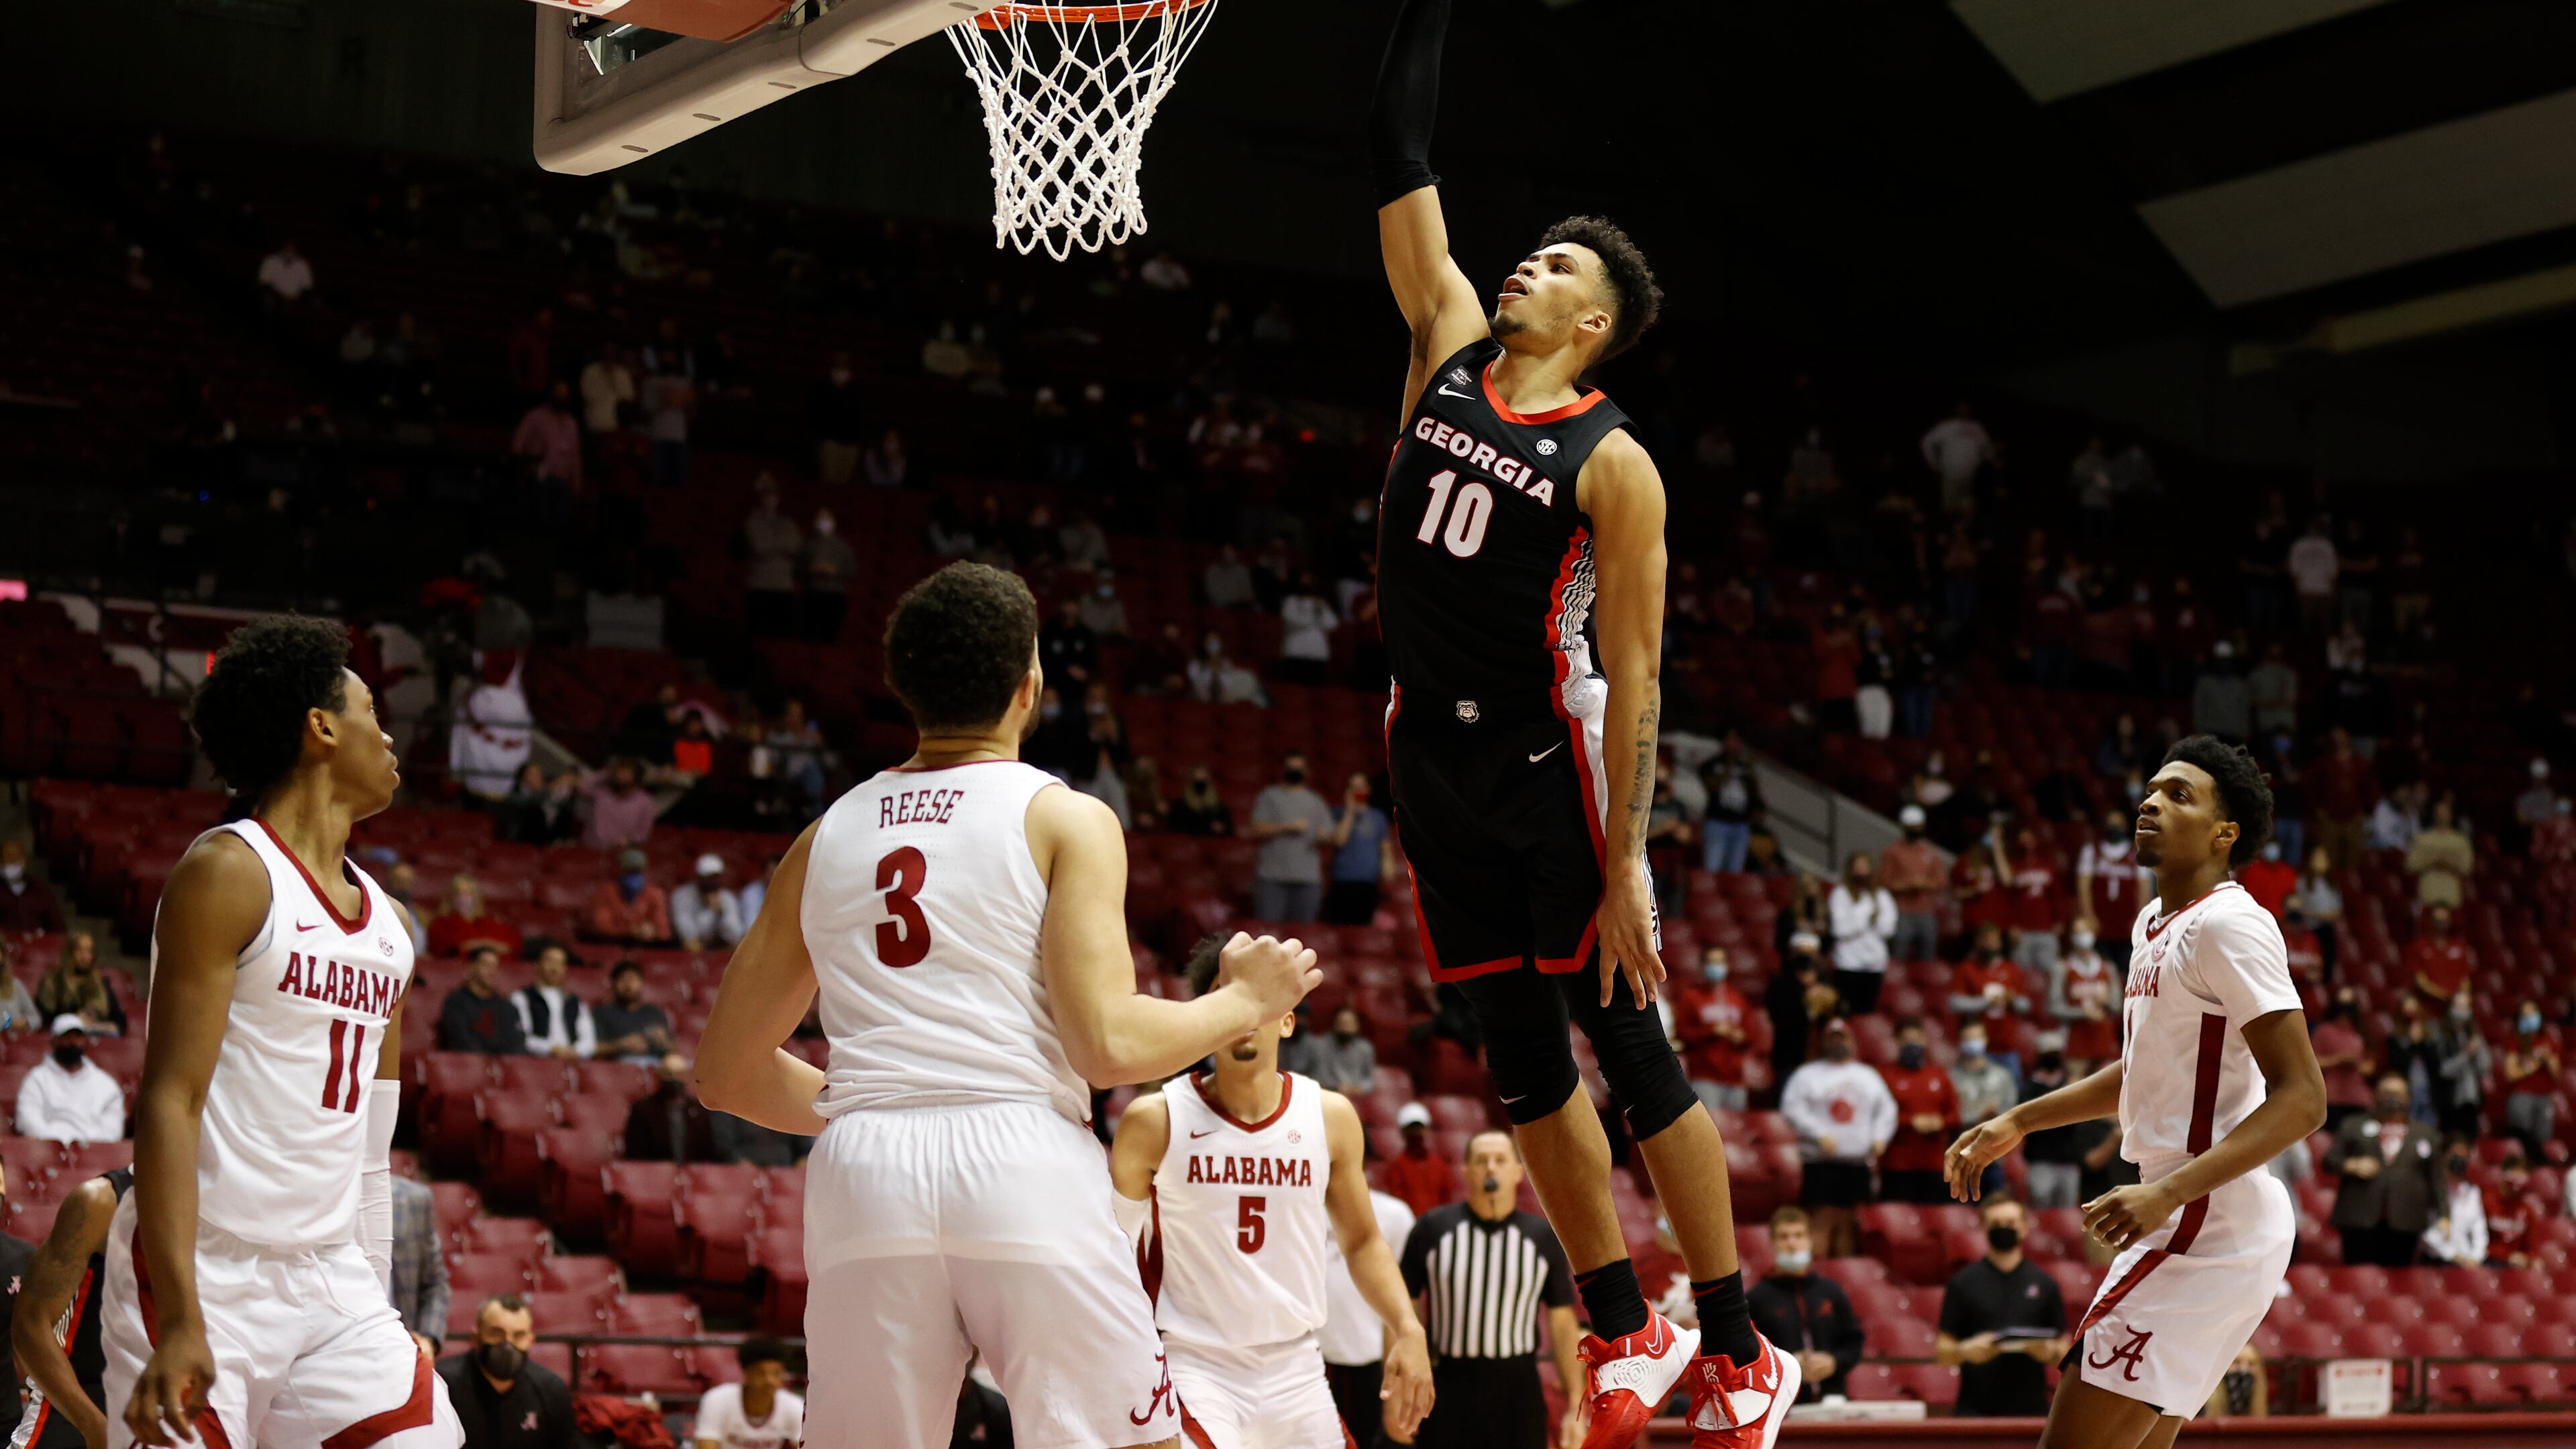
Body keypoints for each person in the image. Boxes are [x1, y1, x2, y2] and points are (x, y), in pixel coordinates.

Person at [1365, 3, 1792, 1437]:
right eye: (1528, 252)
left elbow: (1642, 669)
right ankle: (1626, 1328)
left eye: (1552, 264)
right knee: (1519, 1059)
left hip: (1553, 758)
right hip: (1429, 748)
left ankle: (1739, 1345)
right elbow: (1396, 145)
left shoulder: (1617, 466)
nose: (1521, 263)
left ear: (1592, 321)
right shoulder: (1442, 335)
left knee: (1630, 1046)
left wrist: (1626, 862)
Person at [692, 563, 1320, 1449]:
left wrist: (875, 1103)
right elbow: (1105, 1044)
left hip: (866, 1175)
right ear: (1029, 689)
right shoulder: (1064, 817)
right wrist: (1244, 1003)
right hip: (1021, 1156)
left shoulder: (822, 836)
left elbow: (722, 1074)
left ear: (902, 689)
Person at [114, 616, 462, 1447]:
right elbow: (169, 1101)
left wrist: (372, 1301)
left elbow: (373, 1149)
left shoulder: (390, 927)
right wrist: (180, 1319)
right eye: (370, 709)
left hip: (330, 1277)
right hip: (208, 1268)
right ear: (321, 727)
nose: (388, 733)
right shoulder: (230, 871)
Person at [1945, 736, 2326, 1449]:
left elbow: (2305, 1098)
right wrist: (2019, 1121)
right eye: (2152, 789)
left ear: (2225, 834)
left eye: (2179, 794)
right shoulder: (2152, 924)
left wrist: (2168, 1193)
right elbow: (2143, 1068)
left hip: (2205, 1218)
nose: (2150, 802)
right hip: (2195, 1213)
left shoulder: (2230, 925)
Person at [1108, 935, 1434, 1449]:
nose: (1245, 1015)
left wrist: (1408, 1328)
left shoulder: (1329, 1117)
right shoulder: (1155, 1120)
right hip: (1194, 1365)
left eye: (1260, 1000)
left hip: (1298, 1367)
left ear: (1287, 1019)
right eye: (1228, 998)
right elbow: (1111, 1259)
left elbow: (1363, 1242)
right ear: (1207, 1016)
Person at [1397, 1132, 1584, 1449]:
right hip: (1447, 1384)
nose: (1491, 1168)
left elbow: (1563, 1323)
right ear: (1466, 1171)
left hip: (1517, 1387)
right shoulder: (1433, 1228)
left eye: (1500, 1160)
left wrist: (1576, 1404)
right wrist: (1402, 1391)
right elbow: (1402, 1309)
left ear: (1518, 1172)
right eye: (1481, 1161)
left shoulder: (1541, 1238)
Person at [10, 1166, 130, 1449]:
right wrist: (96, 1428)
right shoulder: (102, 1200)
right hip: (77, 1406)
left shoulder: (229, 1214)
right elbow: (30, 1325)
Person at [1933, 1197, 2067, 1419]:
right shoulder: (1963, 1283)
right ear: (1984, 1228)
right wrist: (1966, 1351)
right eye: (1996, 1224)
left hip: (2031, 1412)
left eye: (2011, 1223)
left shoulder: (2045, 1284)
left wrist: (2049, 1351)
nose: (2004, 1229)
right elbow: (1942, 1351)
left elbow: (2063, 1349)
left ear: (2024, 1228)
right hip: (1975, 1411)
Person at [1779, 1020, 1894, 1259]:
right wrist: (1818, 1134)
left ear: (1851, 1041)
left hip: (1857, 1162)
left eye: (1842, 1037)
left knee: (1851, 1223)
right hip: (1821, 1161)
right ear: (1824, 1041)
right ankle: (1818, 1267)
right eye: (1832, 1037)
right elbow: (1792, 1109)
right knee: (1822, 1219)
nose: (1838, 1042)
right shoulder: (1807, 1075)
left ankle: (1847, 1273)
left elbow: (1887, 1110)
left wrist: (1879, 1138)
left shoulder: (1867, 1075)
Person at [1323, 1180, 1419, 1447]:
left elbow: (1406, 1296)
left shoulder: (1394, 1214)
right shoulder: (1298, 1204)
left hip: (1372, 1364)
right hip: (1305, 1360)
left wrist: (1400, 1387)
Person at [1744, 1208, 1862, 1406]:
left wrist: (1834, 1362)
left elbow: (1854, 1341)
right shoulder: (1756, 1299)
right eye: (1784, 1237)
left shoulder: (1831, 1292)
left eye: (1798, 1235)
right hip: (1781, 1403)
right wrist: (1787, 1365)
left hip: (1833, 1400)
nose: (1792, 1244)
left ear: (1809, 1240)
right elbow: (1750, 1353)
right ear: (1773, 1243)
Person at [2326, 1074, 2443, 1267]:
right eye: (2387, 1093)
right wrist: (2352, 1165)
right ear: (2375, 1095)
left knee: (2399, 1284)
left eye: (2397, 1094)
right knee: (2359, 1279)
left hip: (2405, 1221)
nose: (2392, 1098)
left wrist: (2443, 1215)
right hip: (2359, 1219)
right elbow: (2329, 1161)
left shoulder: (2425, 1134)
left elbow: (2436, 1178)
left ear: (2408, 1098)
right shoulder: (2353, 1126)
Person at [437, 1295, 580, 1448]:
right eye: (497, 1334)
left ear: (530, 1341)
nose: (508, 1345)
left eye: (518, 1336)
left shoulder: (551, 1389)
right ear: (476, 1338)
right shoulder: (443, 1386)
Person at [1877, 1018, 1959, 1205]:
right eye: (1905, 1039)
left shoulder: (1939, 1075)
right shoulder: (1885, 1075)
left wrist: (1940, 1122)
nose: (1911, 1044)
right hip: (1897, 1165)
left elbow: (1955, 1116)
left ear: (1924, 1040)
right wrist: (1910, 1121)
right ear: (1897, 1042)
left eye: (1916, 1038)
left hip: (1934, 1164)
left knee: (1937, 1219)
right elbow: (1877, 1117)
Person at [1250, 755, 1334, 924]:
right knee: (1269, 934)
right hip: (1272, 879)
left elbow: (1330, 834)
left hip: (1307, 880)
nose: (1295, 771)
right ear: (1284, 770)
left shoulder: (1315, 801)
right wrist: (1287, 827)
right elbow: (1256, 829)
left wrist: (1325, 836)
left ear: (1307, 771)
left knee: (1302, 936)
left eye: (1299, 768)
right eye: (1291, 767)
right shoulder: (1270, 796)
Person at [17, 1018, 126, 1144]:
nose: (72, 1042)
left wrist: (81, 1146)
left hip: (93, 1156)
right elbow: (28, 1122)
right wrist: (62, 1144)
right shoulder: (36, 1079)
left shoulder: (106, 1085)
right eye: (67, 1037)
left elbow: (112, 1131)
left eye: (77, 1037)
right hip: (48, 1153)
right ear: (54, 1040)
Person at [1672, 949, 1750, 1113]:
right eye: (1711, 962)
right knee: (1711, 1129)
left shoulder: (1737, 998)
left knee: (1736, 1130)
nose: (1716, 967)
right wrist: (1711, 1031)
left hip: (1735, 1078)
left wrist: (1741, 1037)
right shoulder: (1691, 996)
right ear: (1702, 966)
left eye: (1720, 962)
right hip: (1705, 1076)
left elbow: (1750, 1035)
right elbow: (1682, 1033)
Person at [693, 1338, 804, 1449]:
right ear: (746, 1373)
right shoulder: (717, 1399)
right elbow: (706, 1445)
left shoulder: (794, 1405)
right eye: (761, 1373)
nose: (770, 1380)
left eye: (776, 1373)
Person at [1825, 853, 1895, 1014]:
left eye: (1865, 867)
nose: (1861, 872)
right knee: (1844, 1011)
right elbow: (1839, 929)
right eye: (1858, 867)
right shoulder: (1840, 894)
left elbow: (1888, 930)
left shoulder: (1882, 896)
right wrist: (1866, 918)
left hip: (1874, 964)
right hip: (1847, 962)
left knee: (1866, 1013)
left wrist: (1873, 920)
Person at [390, 1174, 449, 1358]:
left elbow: (435, 1285)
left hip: (403, 1348)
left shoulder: (414, 1199)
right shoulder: (322, 1196)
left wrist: (428, 1338)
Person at [1326, 775, 1393, 926]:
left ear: (1368, 790)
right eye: (1353, 787)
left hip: (1368, 882)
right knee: (1340, 926)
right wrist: (1350, 811)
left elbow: (1385, 848)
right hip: (1343, 880)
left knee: (1364, 928)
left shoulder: (1378, 816)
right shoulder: (1338, 813)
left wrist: (1389, 871)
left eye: (1361, 787)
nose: (1358, 791)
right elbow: (1339, 840)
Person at [1879, 807, 1944, 964]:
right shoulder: (1892, 852)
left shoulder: (1929, 851)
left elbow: (1940, 880)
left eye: (1918, 827)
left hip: (1926, 912)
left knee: (1928, 956)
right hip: (1901, 911)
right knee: (1898, 954)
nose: (1915, 830)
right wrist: (1909, 884)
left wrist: (1925, 884)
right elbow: (1885, 882)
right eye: (1912, 827)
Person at [2049, 926, 2119, 1067]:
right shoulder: (2063, 967)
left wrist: (2107, 1002)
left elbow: (2117, 1005)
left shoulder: (2107, 967)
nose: (2083, 936)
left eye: (2086, 931)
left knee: (2106, 1084)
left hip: (2103, 1034)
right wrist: (2082, 1013)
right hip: (2075, 1035)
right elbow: (2053, 1007)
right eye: (2078, 932)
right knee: (2076, 1081)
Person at [513, 944, 594, 1062]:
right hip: (537, 1062)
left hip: (572, 1061)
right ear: (538, 965)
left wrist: (575, 1051)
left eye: (560, 963)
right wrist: (551, 1049)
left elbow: (589, 1042)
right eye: (550, 961)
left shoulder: (575, 1002)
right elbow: (521, 1038)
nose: (554, 968)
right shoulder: (522, 998)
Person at [440, 946, 527, 1055]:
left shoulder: (507, 1006)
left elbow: (517, 1043)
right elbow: (460, 1041)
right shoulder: (456, 1003)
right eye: (486, 965)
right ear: (472, 967)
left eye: (495, 966)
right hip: (469, 1066)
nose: (491, 971)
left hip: (503, 1068)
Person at [36, 935, 128, 1038]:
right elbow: (44, 1018)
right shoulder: (54, 982)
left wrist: (101, 1024)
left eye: (89, 951)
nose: (84, 956)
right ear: (69, 953)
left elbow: (119, 1020)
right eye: (79, 951)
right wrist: (76, 1019)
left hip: (96, 1035)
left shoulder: (101, 984)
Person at [2419, 1133, 2487, 1269]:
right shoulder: (2430, 1190)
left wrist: (2476, 1257)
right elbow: (2426, 1231)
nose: (2459, 1160)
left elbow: (2479, 1229)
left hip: (2468, 1263)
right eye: (2455, 1155)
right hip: (2437, 1262)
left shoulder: (2472, 1192)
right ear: (2444, 1155)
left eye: (2464, 1156)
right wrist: (2453, 1256)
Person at [2500, 1001, 2560, 1156]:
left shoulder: (2548, 1041)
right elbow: (2510, 1073)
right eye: (2526, 1015)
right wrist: (2531, 1067)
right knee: (2522, 1137)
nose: (2530, 1018)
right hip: (2522, 1095)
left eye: (2533, 1014)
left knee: (2543, 1138)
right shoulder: (2515, 1041)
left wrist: (2548, 1059)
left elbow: (2557, 1073)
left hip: (2544, 1096)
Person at [592, 959, 679, 1067]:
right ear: (613, 984)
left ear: (642, 983)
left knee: (677, 1062)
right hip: (622, 1064)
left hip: (658, 1062)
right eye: (623, 980)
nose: (628, 985)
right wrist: (621, 1045)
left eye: (633, 979)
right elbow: (591, 1049)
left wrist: (664, 1041)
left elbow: (673, 1049)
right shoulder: (602, 1012)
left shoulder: (654, 1012)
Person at [1382, 1103, 1462, 1218]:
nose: (1416, 1133)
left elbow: (1446, 1200)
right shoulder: (1397, 1167)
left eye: (1419, 1128)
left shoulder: (1439, 1166)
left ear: (1427, 1130)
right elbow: (1397, 1203)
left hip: (1436, 1225)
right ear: (1403, 1132)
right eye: (1411, 1129)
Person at [2311, 991, 2373, 1134]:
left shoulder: (2360, 1033)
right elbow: (2313, 1063)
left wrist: (2357, 1065)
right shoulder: (2324, 1031)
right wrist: (2338, 1060)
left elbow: (2370, 1066)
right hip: (2332, 1097)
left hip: (2358, 1098)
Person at [586, 848, 673, 944]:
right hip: (610, 944)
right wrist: (631, 931)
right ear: (620, 870)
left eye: (637, 871)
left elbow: (664, 932)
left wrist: (653, 932)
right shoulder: (606, 892)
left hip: (644, 945)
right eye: (629, 871)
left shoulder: (655, 894)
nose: (633, 877)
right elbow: (601, 926)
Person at [427, 873, 522, 960]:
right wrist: (489, 945)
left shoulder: (490, 922)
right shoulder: (441, 924)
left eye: (469, 893)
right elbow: (447, 950)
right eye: (459, 893)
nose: (464, 898)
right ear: (451, 897)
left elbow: (512, 947)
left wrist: (478, 944)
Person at [2405, 800, 2474, 910]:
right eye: (2439, 813)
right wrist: (2433, 861)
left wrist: (2448, 864)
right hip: (2428, 897)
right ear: (2434, 814)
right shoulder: (2422, 839)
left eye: (2445, 813)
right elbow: (2411, 865)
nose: (2442, 816)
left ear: (2451, 815)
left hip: (2452, 899)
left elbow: (2467, 868)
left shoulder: (2461, 841)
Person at [672, 853, 748, 951]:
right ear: (698, 877)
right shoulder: (682, 896)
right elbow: (689, 934)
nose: (712, 881)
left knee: (738, 947)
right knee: (693, 945)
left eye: (715, 877)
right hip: (693, 949)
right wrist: (711, 912)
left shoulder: (727, 897)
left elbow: (736, 934)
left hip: (720, 947)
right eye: (708, 877)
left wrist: (722, 913)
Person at [1302, 1005, 1379, 1095]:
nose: (1345, 1028)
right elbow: (1319, 1075)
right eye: (1341, 1023)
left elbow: (1370, 1078)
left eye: (1349, 1024)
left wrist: (1360, 1088)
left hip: (1358, 1094)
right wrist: (1336, 1086)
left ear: (1357, 1026)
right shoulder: (1321, 1045)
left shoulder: (1365, 1048)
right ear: (1335, 1025)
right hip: (1329, 1093)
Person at [2406, 906, 2471, 1008]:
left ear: (2450, 921)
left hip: (2457, 1007)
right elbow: (2420, 980)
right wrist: (2444, 996)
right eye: (2438, 920)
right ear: (2431, 921)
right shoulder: (2419, 947)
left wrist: (2462, 997)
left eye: (2444, 920)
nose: (2441, 924)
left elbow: (2465, 979)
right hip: (2430, 1008)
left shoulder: (2460, 947)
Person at [0, 837, 66, 934]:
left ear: (24, 861)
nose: (10, 864)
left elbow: (58, 928)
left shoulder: (40, 890)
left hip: (35, 946)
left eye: (14, 859)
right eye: (5, 860)